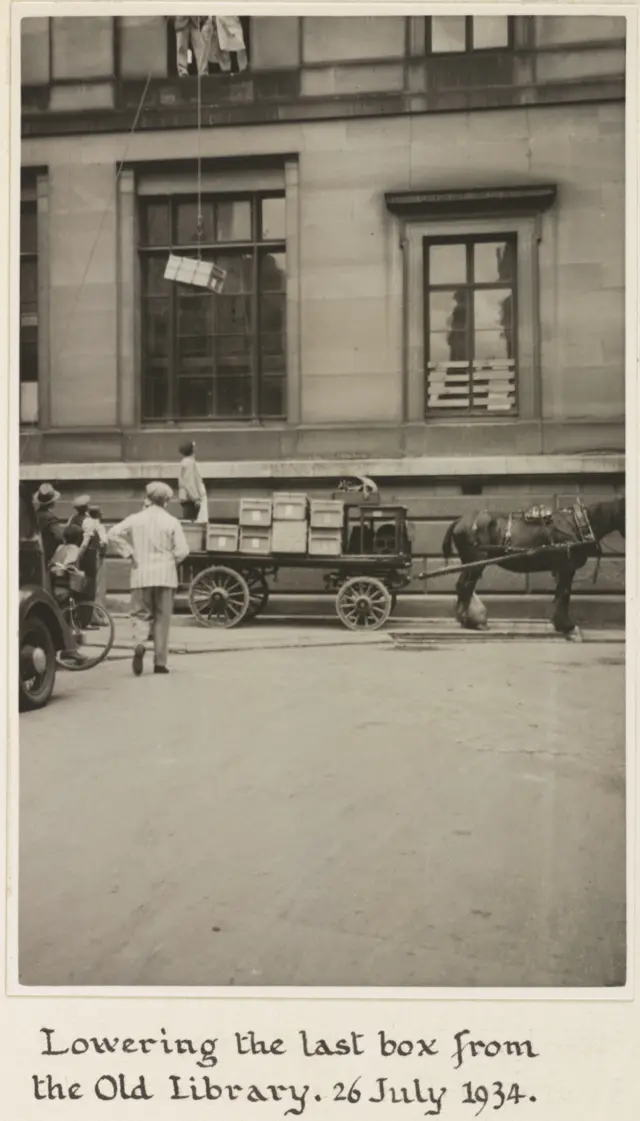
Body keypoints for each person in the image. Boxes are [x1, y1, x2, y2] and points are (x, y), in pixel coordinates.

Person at [107, 481, 190, 676]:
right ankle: (160, 663)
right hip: (166, 576)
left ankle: (139, 643)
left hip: (141, 574)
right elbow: (183, 550)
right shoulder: (172, 521)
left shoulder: (136, 518)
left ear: (148, 499)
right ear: (166, 501)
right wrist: (172, 561)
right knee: (162, 619)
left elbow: (112, 533)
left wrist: (129, 553)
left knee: (140, 614)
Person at [68, 495, 100, 626]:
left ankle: (76, 618)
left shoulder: (72, 519)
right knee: (88, 587)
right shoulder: (89, 521)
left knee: (76, 587)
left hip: (73, 553)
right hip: (87, 556)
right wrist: (78, 556)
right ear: (87, 507)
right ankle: (85, 621)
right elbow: (85, 543)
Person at [34, 483, 64, 565]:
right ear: (52, 502)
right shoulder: (50, 518)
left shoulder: (34, 515)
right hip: (48, 557)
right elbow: (59, 537)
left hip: (35, 555)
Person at [178, 440, 207, 522]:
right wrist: (196, 498)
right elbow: (189, 483)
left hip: (188, 498)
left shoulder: (185, 462)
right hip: (190, 499)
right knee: (192, 522)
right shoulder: (190, 463)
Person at [87, 504, 109, 607]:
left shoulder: (86, 524)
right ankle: (98, 610)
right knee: (99, 585)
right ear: (99, 515)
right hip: (97, 556)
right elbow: (103, 543)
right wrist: (102, 556)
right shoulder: (100, 527)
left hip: (87, 557)